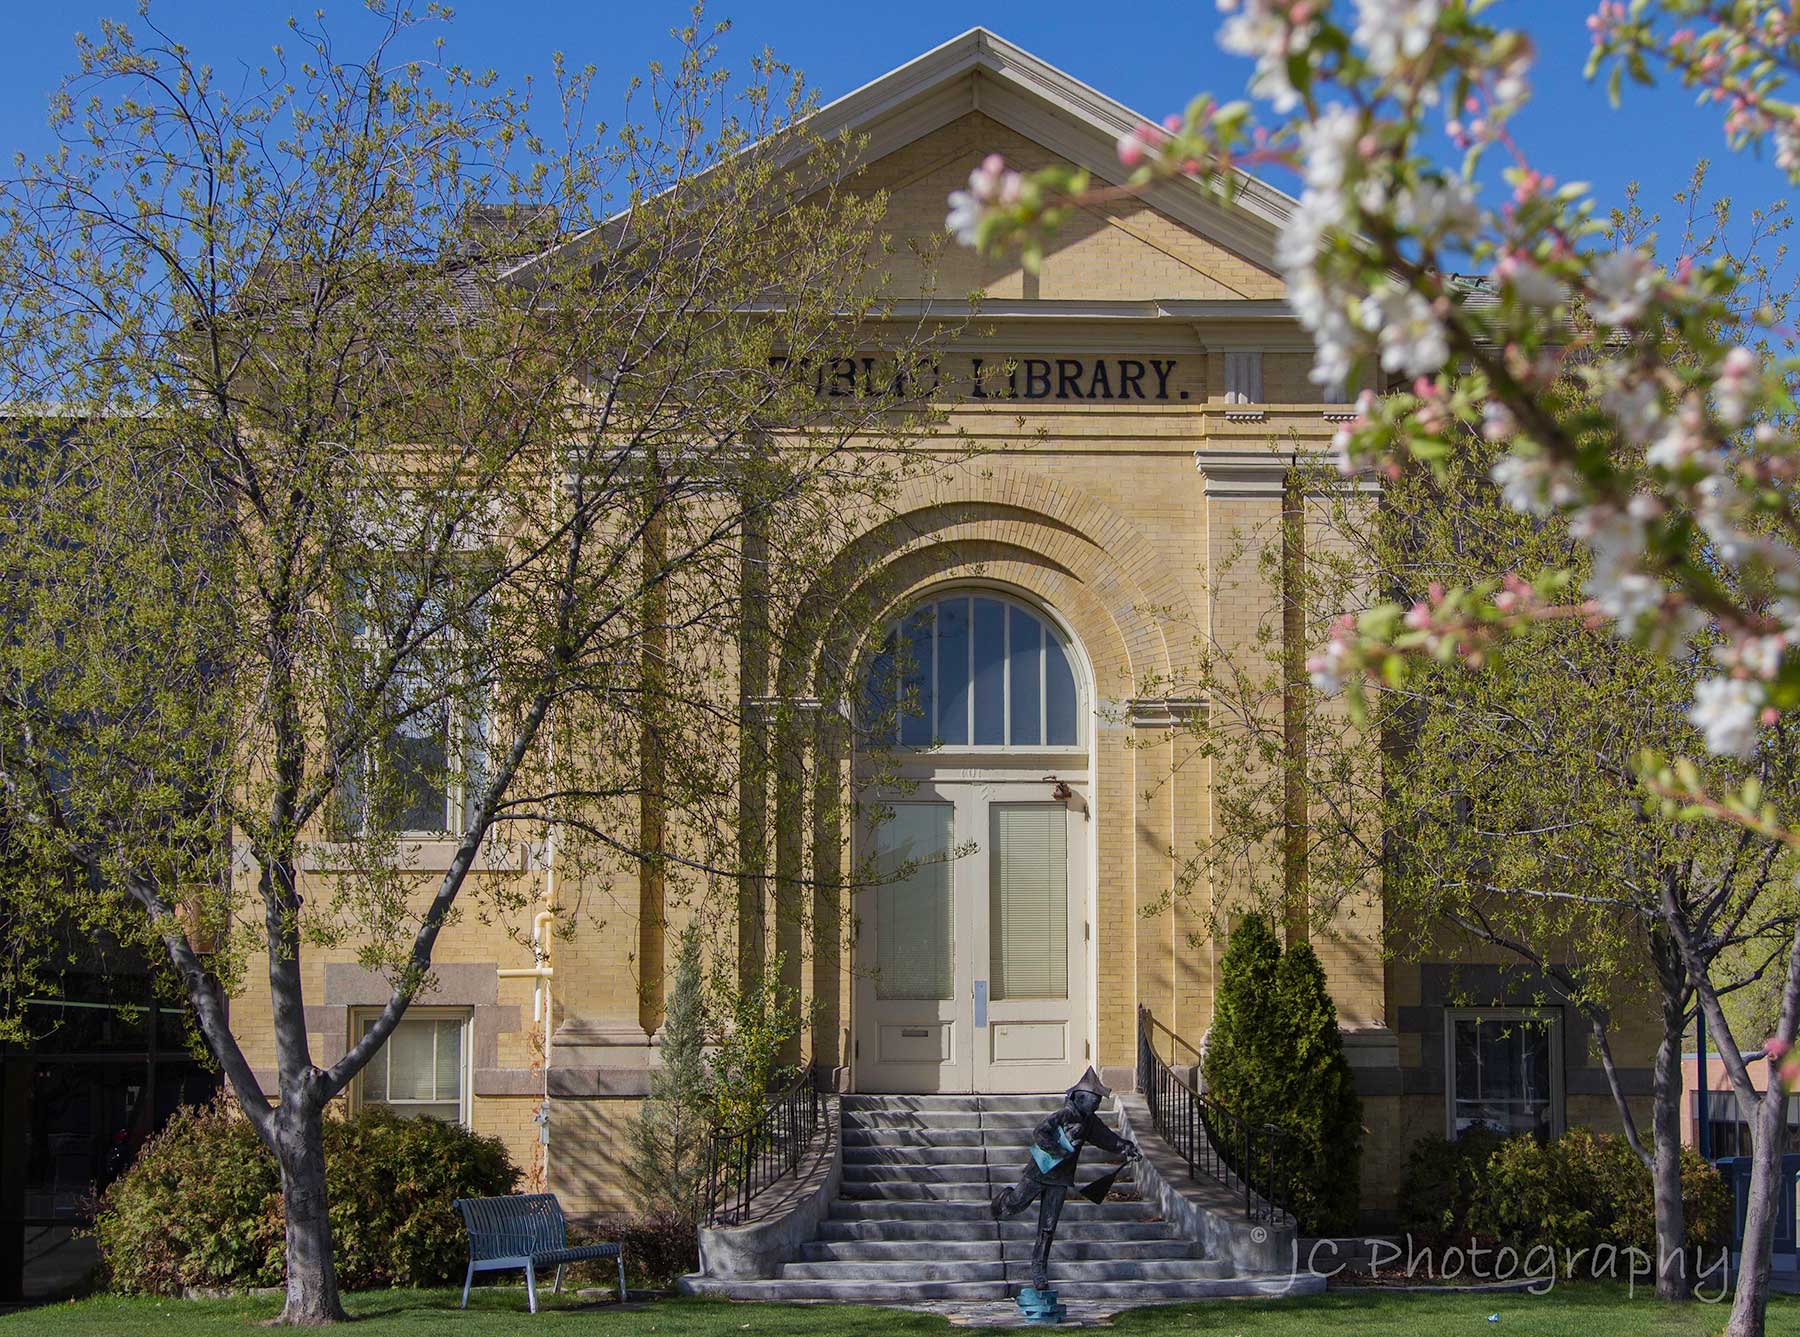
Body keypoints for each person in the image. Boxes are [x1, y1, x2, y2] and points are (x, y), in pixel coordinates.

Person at [990, 1066, 1141, 1293]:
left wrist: (1126, 1147)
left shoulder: (1090, 1122)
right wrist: (1056, 1151)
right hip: (1039, 1172)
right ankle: (1003, 1200)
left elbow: (1107, 1139)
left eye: (1099, 1101)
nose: (1097, 1104)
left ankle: (1039, 1269)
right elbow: (1040, 1132)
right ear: (1080, 1098)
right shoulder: (1064, 1115)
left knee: (1048, 1227)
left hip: (1061, 1180)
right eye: (1094, 1100)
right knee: (1016, 1205)